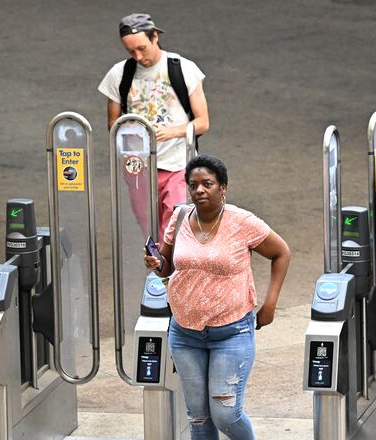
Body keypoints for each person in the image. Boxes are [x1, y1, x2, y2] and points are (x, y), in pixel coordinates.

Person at [144, 155, 290, 440]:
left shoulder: (242, 222)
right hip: (184, 332)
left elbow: (281, 252)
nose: (199, 190)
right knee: (198, 417)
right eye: (193, 184)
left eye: (207, 184)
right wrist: (156, 263)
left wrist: (270, 304)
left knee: (225, 414)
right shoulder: (181, 216)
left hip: (232, 332)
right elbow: (169, 264)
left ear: (222, 187)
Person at [99, 13, 210, 239]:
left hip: (177, 164)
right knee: (148, 229)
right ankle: (158, 271)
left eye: (142, 48)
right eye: (131, 52)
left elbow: (202, 122)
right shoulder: (119, 74)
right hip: (138, 166)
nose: (139, 57)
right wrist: (133, 133)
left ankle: (170, 271)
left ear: (155, 37)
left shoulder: (183, 69)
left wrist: (170, 132)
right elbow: (113, 124)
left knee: (176, 226)